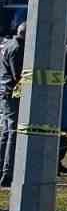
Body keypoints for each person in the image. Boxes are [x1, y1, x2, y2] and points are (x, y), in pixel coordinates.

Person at [0, 21, 25, 187]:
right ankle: (7, 172)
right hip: (12, 94)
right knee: (13, 133)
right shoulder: (17, 48)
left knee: (5, 132)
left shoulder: (7, 44)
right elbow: (19, 75)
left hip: (4, 91)